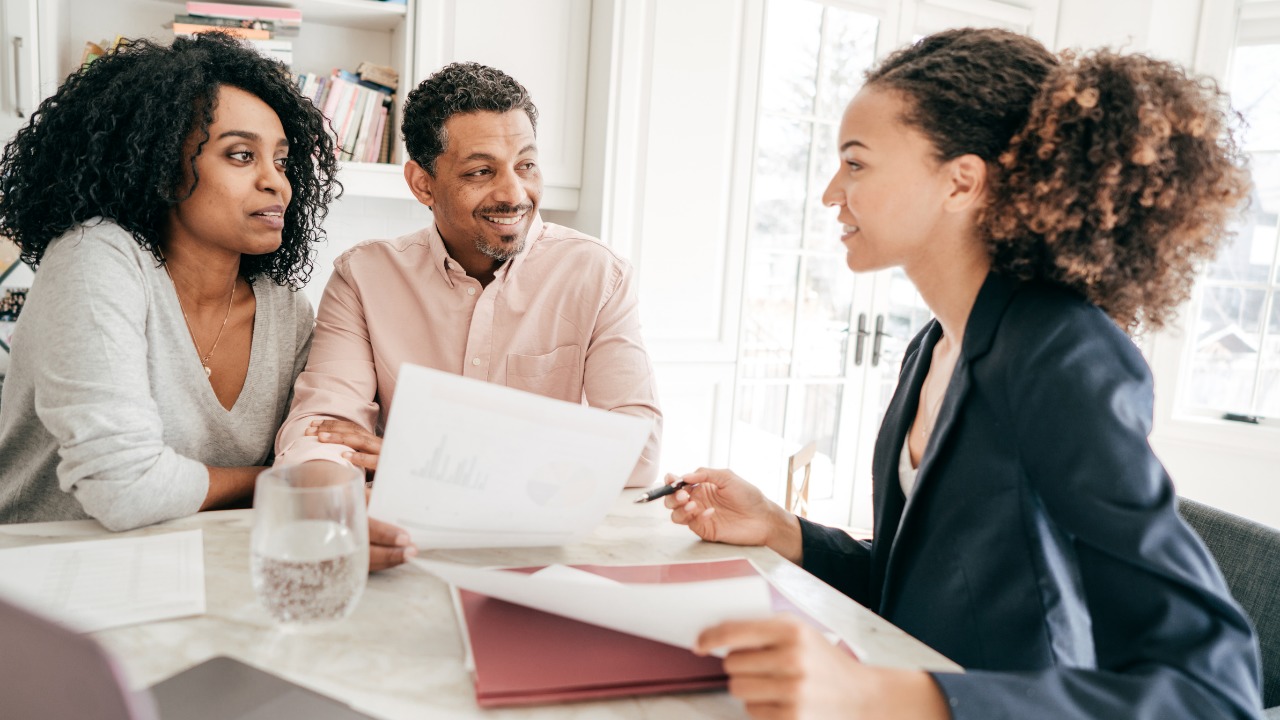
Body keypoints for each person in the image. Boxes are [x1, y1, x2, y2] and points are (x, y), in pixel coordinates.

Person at [663, 29, 1264, 719]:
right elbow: (921, 585)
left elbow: (1213, 692)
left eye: (855, 164)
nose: (832, 192)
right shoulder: (934, 346)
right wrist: (781, 529)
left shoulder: (1062, 351)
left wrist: (885, 694)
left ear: (962, 181)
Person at [273, 62, 662, 571]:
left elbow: (637, 450)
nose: (513, 194)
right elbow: (322, 429)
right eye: (481, 171)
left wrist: (427, 460)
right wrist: (333, 510)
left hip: (545, 557)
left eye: (525, 165)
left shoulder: (598, 275)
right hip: (409, 547)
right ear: (422, 183)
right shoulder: (362, 277)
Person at [0, 33, 337, 530]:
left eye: (282, 161)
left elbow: (317, 454)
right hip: (45, 573)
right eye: (241, 155)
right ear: (161, 165)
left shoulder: (286, 310)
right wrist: (274, 480)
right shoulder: (95, 258)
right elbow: (124, 488)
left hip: (199, 563)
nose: (277, 182)